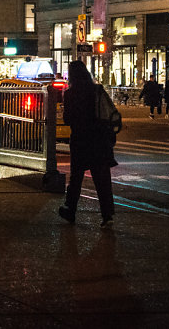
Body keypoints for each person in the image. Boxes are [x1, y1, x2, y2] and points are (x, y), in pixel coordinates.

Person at [58, 60, 117, 228]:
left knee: (76, 177)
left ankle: (70, 210)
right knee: (102, 179)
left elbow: (68, 119)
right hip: (99, 139)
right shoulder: (97, 90)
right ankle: (107, 215)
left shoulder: (70, 93)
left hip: (80, 140)